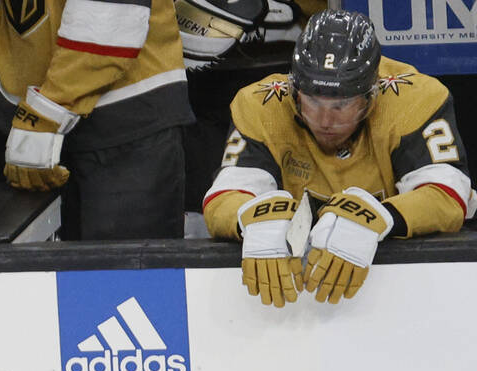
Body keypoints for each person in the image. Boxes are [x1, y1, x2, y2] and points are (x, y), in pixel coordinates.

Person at [202, 9, 476, 306]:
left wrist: (383, 217)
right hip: (297, 298)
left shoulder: (415, 99)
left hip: (410, 290)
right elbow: (224, 197)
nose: (324, 120)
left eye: (342, 104)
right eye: (313, 101)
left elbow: (448, 194)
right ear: (295, 91)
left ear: (372, 94)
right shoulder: (261, 105)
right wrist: (251, 216)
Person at [0, 0, 194, 240]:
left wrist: (46, 113)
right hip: (23, 129)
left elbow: (110, 19)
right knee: (24, 276)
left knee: (120, 276)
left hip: (123, 130)